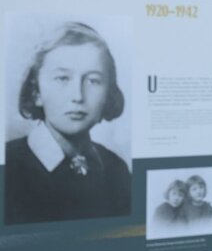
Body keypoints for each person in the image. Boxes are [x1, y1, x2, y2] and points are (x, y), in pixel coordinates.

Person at [4, 21, 131, 225]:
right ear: (37, 92)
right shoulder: (8, 169)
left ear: (108, 94)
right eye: (62, 78)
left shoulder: (116, 169)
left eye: (93, 80)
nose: (77, 96)